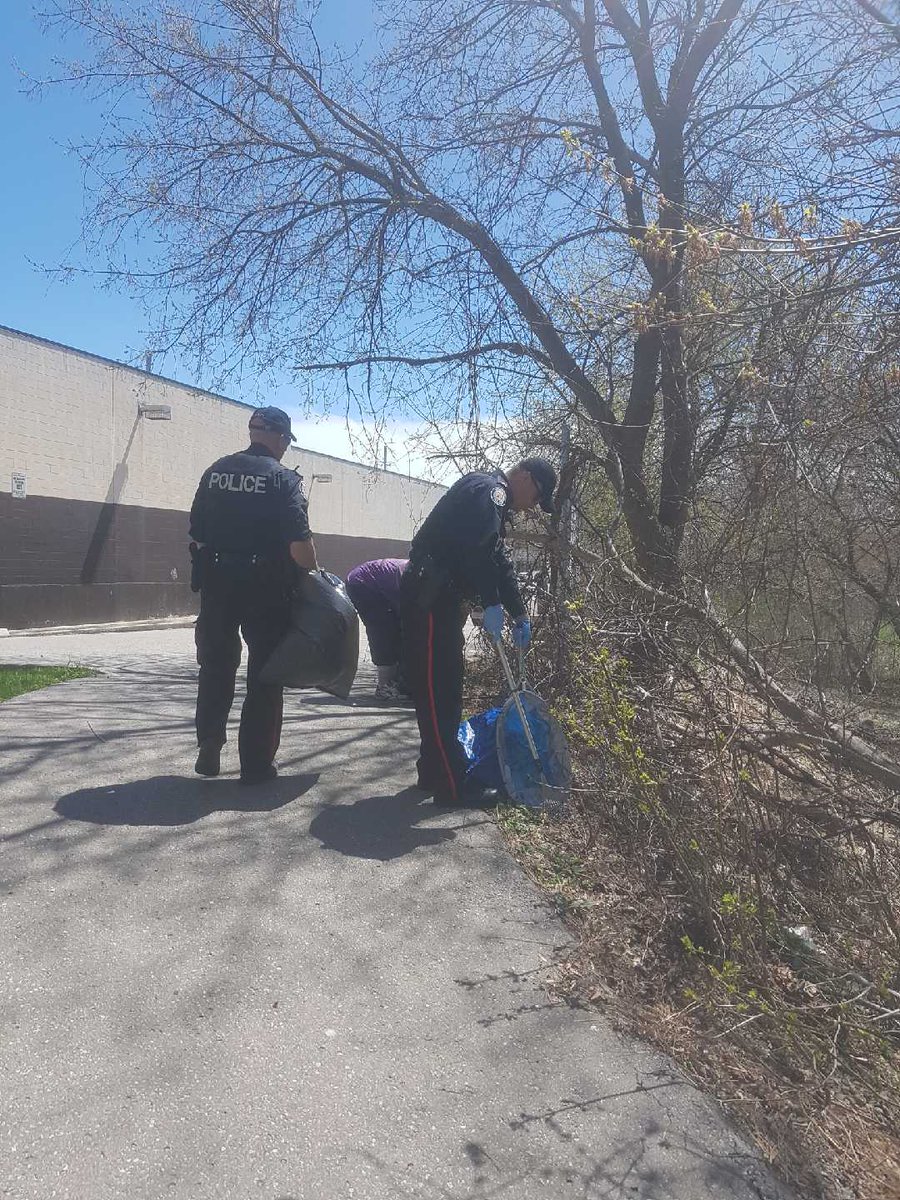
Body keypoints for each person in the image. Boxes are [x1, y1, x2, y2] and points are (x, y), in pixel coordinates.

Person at [400, 457, 557, 806]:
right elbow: (480, 553)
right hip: (429, 598)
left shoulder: (491, 500)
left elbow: (498, 560)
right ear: (525, 477)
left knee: (444, 688)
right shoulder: (490, 493)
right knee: (439, 692)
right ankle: (452, 786)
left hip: (440, 601)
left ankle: (433, 772)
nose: (532, 506)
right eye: (536, 497)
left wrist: (518, 612)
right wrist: (491, 604)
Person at [189, 406, 318, 784]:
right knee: (265, 673)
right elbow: (299, 545)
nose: (285, 447)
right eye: (286, 441)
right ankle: (256, 764)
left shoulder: (216, 471)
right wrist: (314, 576)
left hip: (217, 582)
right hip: (266, 588)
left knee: (216, 665)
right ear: (279, 437)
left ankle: (210, 741)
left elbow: (196, 529)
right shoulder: (283, 479)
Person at [345, 558, 410, 700]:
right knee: (383, 631)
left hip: (374, 581)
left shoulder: (414, 571)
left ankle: (395, 682)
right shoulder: (408, 579)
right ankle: (384, 686)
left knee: (395, 631)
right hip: (362, 583)